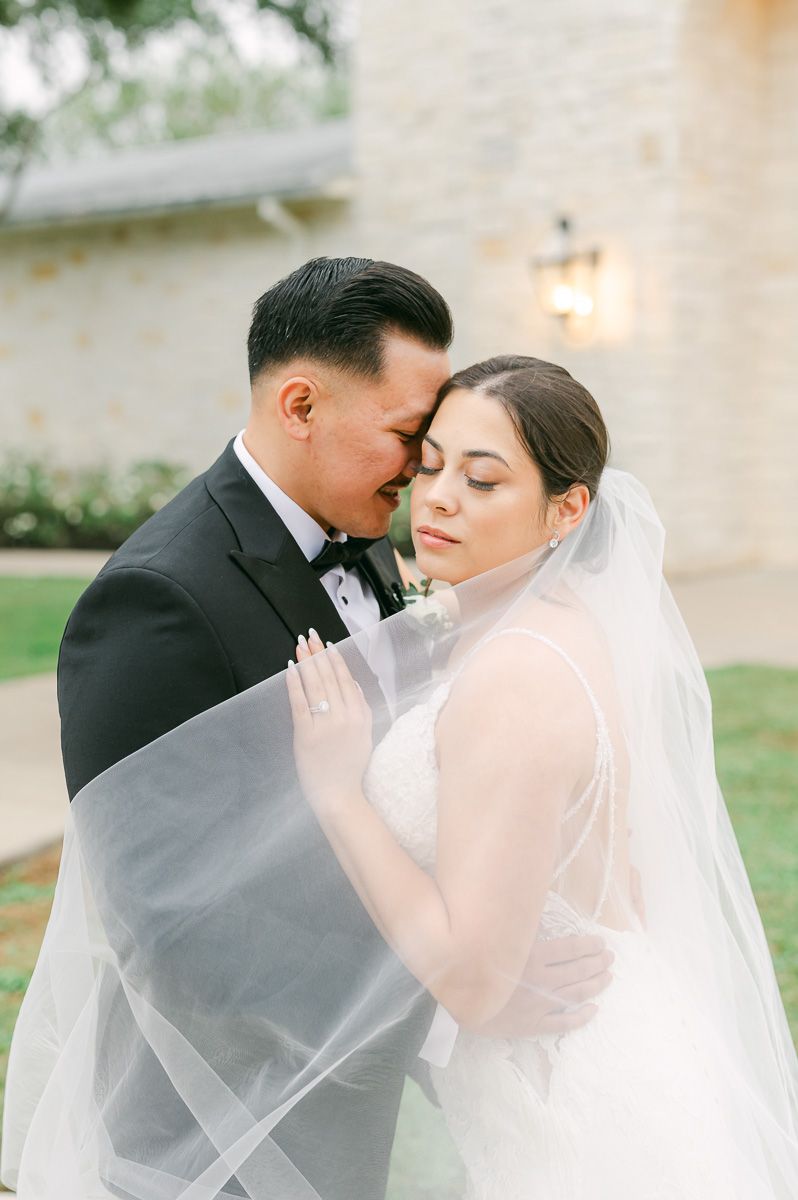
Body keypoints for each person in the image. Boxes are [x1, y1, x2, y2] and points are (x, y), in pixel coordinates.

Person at [2, 266, 614, 1199]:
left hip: (371, 1110)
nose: (424, 476)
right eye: (412, 438)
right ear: (300, 404)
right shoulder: (156, 602)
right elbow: (168, 922)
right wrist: (454, 989)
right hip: (231, 1129)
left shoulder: (369, 529)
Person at [286, 357, 798, 1197]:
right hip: (593, 1046)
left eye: (483, 480)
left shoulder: (517, 678)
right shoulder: (548, 625)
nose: (441, 496)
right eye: (432, 465)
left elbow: (477, 984)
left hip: (576, 1107)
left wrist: (338, 792)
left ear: (567, 510)